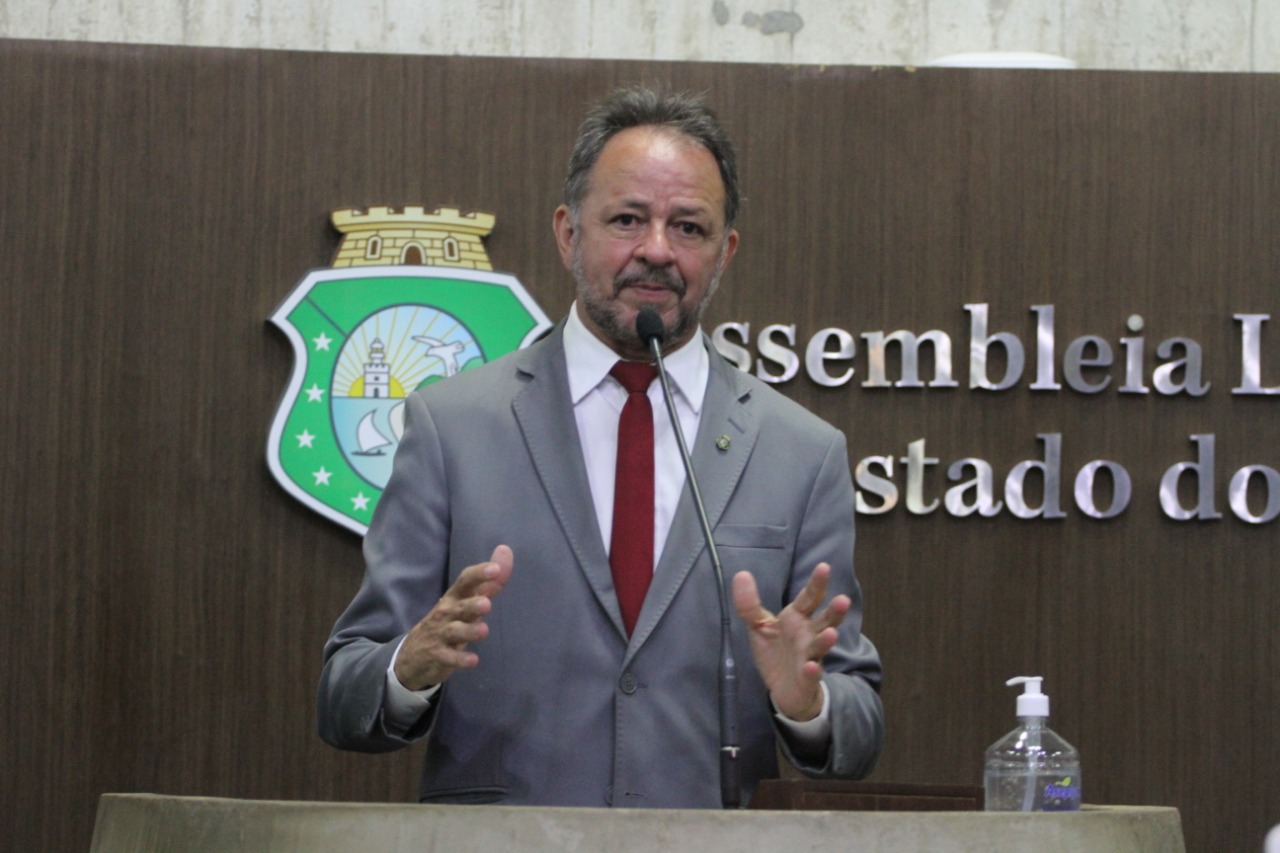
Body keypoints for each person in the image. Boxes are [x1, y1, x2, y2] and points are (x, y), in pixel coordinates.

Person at [317, 86, 883, 808]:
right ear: (567, 233)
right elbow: (343, 697)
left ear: (726, 252)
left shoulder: (801, 451)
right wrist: (408, 666)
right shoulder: (451, 427)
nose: (657, 250)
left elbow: (858, 725)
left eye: (689, 227)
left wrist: (807, 706)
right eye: (627, 219)